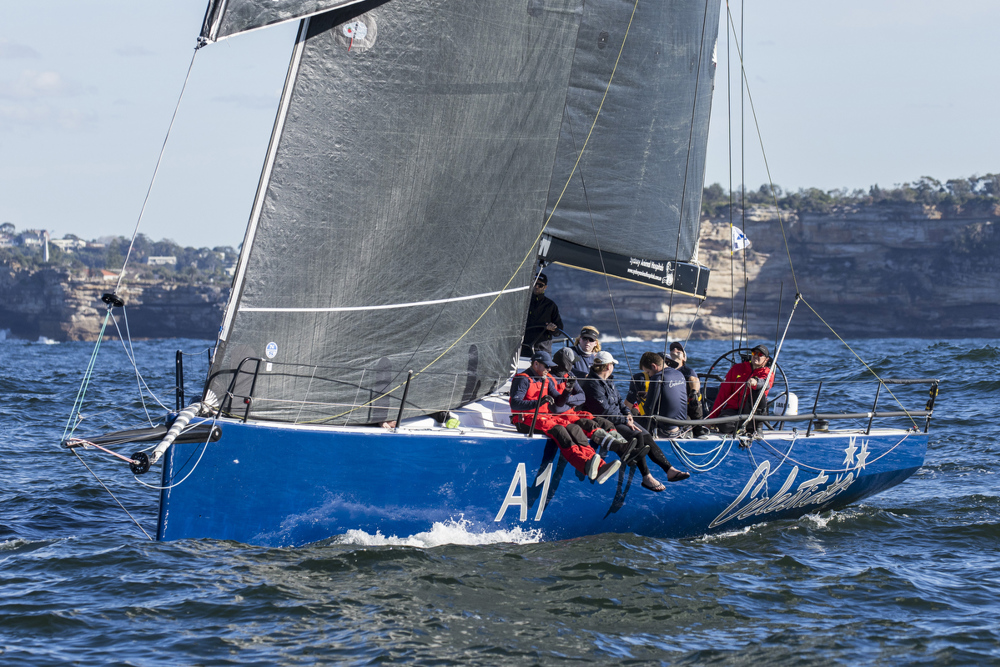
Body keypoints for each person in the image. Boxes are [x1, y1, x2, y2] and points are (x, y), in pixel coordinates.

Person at [581, 350, 690, 492]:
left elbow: (620, 402)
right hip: (607, 422)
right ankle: (647, 477)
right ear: (608, 366)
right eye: (613, 364)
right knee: (637, 435)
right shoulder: (593, 384)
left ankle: (669, 469)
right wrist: (625, 419)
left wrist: (627, 412)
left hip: (619, 418)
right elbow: (605, 412)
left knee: (646, 436)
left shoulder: (608, 381)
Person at [509, 351, 620, 483]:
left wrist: (567, 390)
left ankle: (600, 466)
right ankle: (584, 465)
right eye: (547, 366)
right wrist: (539, 402)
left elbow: (559, 401)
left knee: (574, 429)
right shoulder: (522, 379)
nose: (549, 369)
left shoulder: (545, 379)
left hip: (544, 418)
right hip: (525, 420)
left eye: (550, 367)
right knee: (560, 431)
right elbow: (515, 404)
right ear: (536, 364)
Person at [708, 343, 775, 434]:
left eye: (760, 354)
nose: (756, 356)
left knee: (758, 390)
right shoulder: (736, 369)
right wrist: (711, 419)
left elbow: (766, 383)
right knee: (724, 426)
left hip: (753, 412)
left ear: (766, 360)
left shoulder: (768, 373)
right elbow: (723, 394)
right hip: (733, 409)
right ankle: (740, 427)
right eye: (754, 353)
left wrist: (755, 382)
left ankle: (753, 429)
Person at [638, 353, 688, 438]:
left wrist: (641, 401)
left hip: (665, 430)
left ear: (654, 366)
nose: (649, 375)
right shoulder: (679, 374)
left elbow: (649, 409)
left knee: (631, 420)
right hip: (681, 426)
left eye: (648, 372)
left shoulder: (657, 377)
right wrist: (649, 394)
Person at [668, 342, 708, 437]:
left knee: (695, 396)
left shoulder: (688, 371)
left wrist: (694, 391)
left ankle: (698, 428)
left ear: (684, 358)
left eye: (679, 350)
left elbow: (694, 380)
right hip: (671, 404)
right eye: (673, 349)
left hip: (686, 403)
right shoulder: (666, 371)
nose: (675, 350)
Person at [521, 272, 563, 357]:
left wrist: (553, 328)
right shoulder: (522, 302)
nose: (536, 286)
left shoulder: (550, 306)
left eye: (540, 285)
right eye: (534, 283)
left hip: (543, 350)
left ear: (545, 287)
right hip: (522, 348)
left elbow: (559, 330)